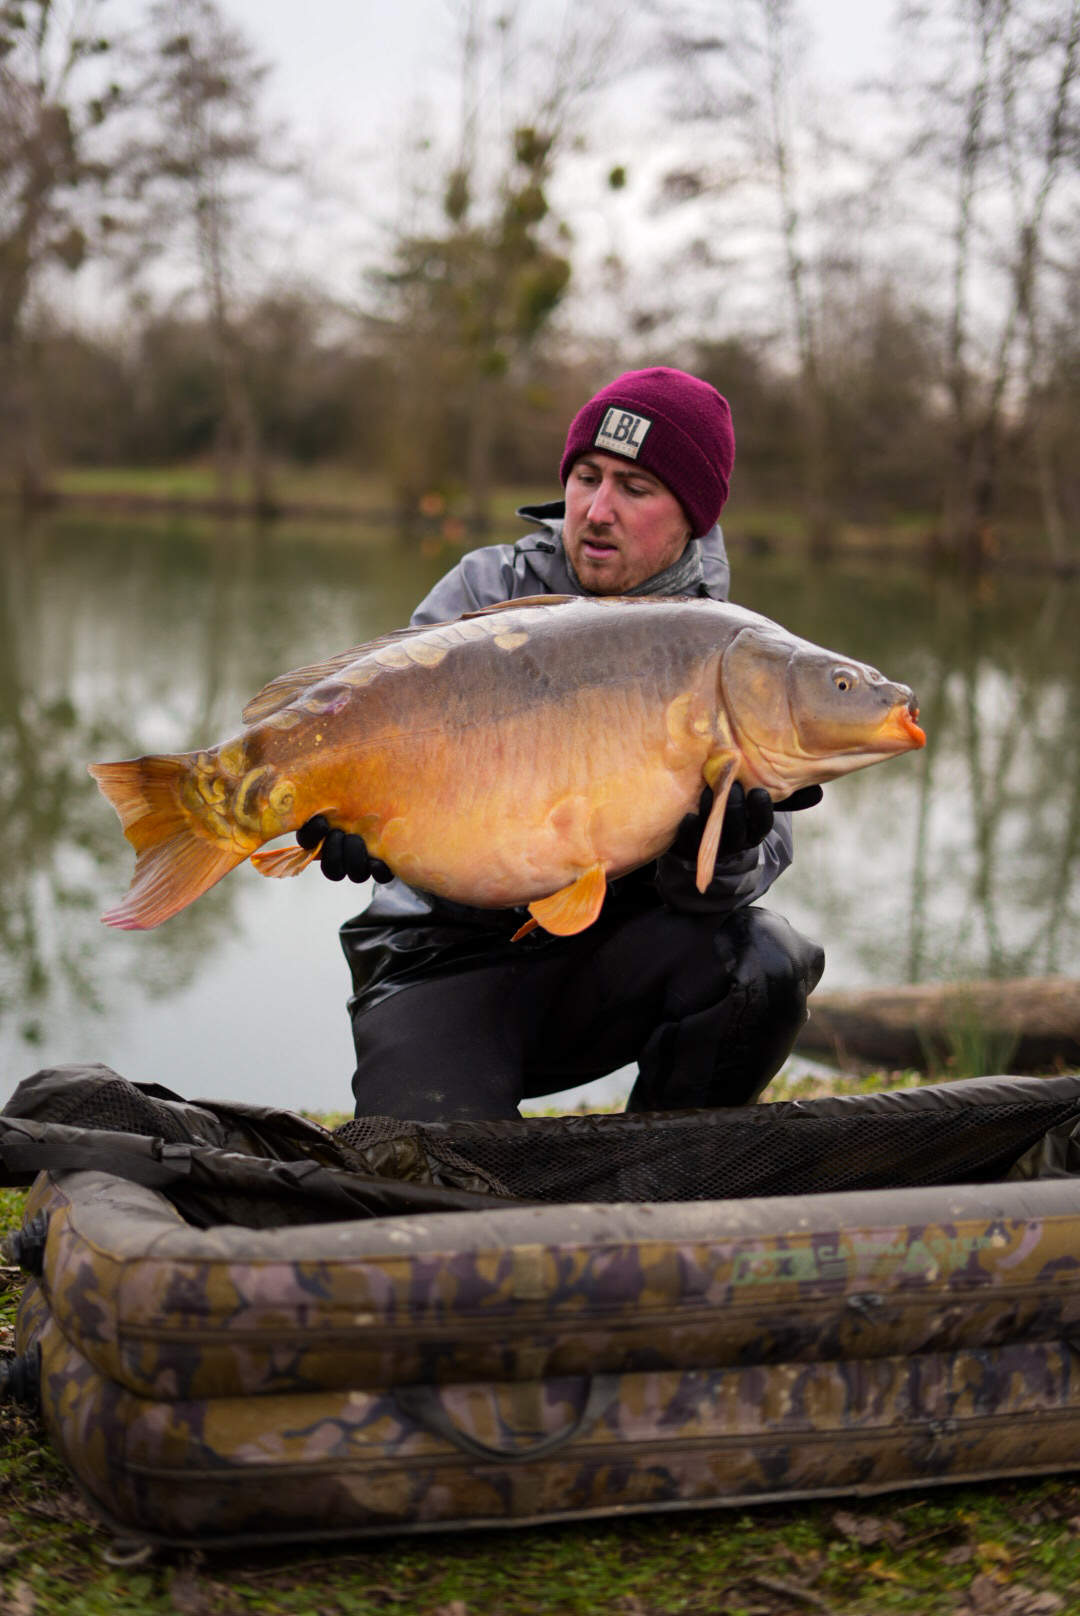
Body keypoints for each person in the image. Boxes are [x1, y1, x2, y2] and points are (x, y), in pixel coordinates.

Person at [298, 367, 825, 1122]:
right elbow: (377, 727)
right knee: (422, 1162)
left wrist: (718, 847)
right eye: (586, 477)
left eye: (635, 488)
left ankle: (662, 1177)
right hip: (442, 956)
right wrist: (370, 830)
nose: (597, 510)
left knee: (765, 965)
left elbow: (757, 863)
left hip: (607, 963)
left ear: (692, 518)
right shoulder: (485, 592)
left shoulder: (731, 651)